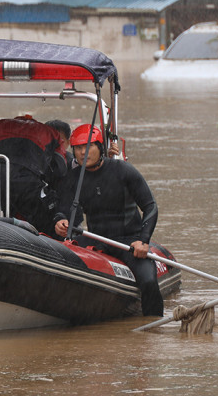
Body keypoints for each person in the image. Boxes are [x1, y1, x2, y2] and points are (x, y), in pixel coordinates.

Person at [52, 124, 163, 316]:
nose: (82, 152)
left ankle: (153, 329)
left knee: (148, 281)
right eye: (77, 148)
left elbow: (150, 206)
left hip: (128, 240)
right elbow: (63, 210)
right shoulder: (73, 178)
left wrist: (143, 240)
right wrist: (60, 221)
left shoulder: (123, 170)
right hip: (95, 239)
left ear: (100, 148)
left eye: (87, 147)